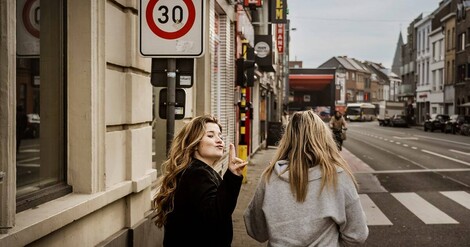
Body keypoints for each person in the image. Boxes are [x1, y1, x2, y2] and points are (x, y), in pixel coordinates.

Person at [244, 110, 368, 246]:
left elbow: (257, 232)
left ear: (287, 139)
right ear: (324, 138)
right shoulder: (338, 177)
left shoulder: (269, 177)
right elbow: (357, 234)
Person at [153, 115, 247, 247]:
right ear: (195, 143)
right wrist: (232, 177)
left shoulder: (195, 171)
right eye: (210, 136)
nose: (219, 140)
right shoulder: (198, 174)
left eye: (220, 136)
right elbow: (215, 216)